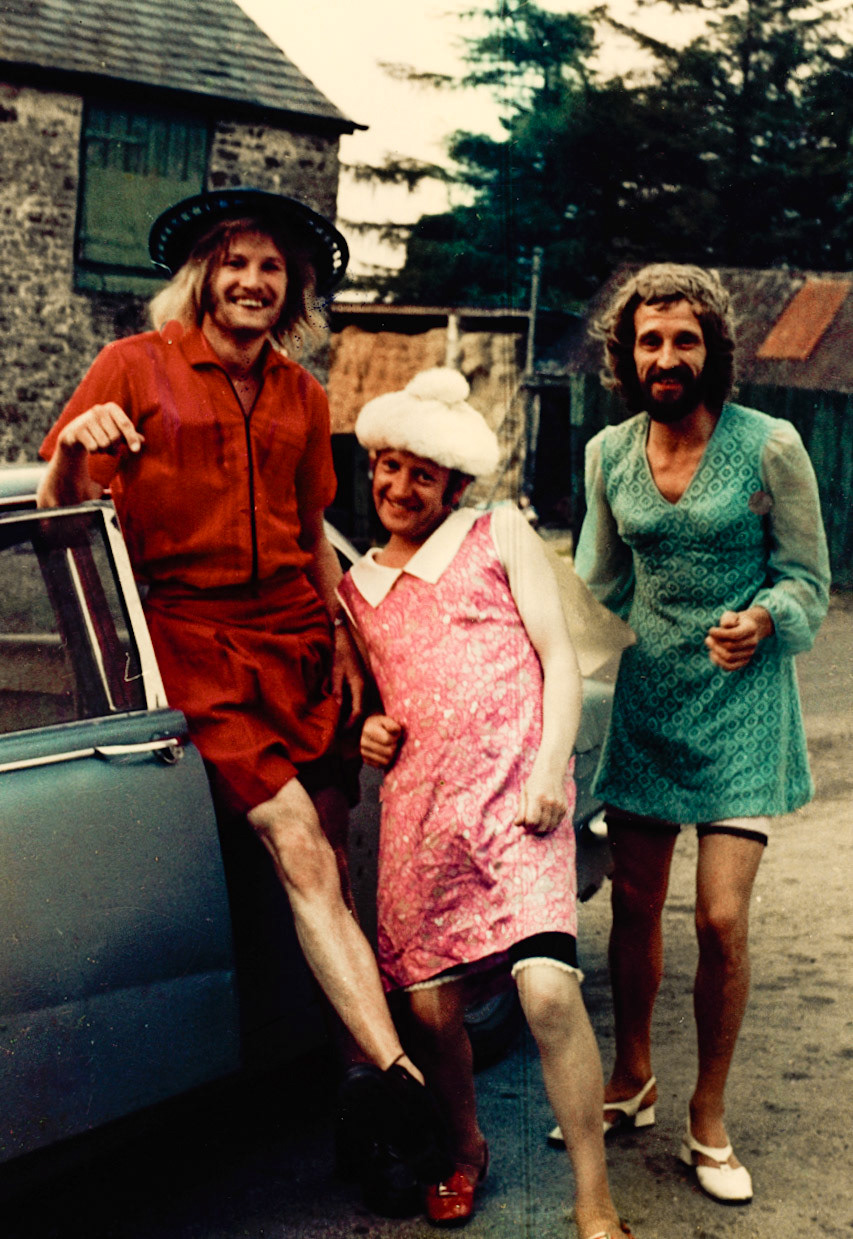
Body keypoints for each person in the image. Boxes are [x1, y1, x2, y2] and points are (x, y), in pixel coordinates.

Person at [37, 187, 447, 1191]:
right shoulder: (133, 367)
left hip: (300, 645)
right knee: (301, 847)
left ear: (291, 290)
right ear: (204, 277)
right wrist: (77, 450)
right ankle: (407, 1082)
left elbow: (312, 535)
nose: (255, 282)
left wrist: (348, 633)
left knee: (332, 870)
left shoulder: (305, 393)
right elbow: (58, 513)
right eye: (238, 264)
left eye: (273, 268)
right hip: (194, 644)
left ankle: (365, 1113)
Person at [337, 367, 637, 1239]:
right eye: (386, 468)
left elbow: (557, 658)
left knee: (545, 992)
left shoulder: (495, 532)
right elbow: (372, 704)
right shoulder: (356, 589)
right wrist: (369, 733)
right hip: (424, 821)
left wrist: (551, 769)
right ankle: (464, 1148)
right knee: (435, 1013)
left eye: (420, 474)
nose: (398, 488)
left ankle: (593, 1199)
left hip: (519, 804)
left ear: (454, 484)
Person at [558, 262, 830, 1204]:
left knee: (718, 916)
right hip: (648, 702)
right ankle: (631, 1074)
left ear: (712, 348)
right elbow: (595, 585)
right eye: (648, 340)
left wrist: (763, 619)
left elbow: (807, 579)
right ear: (626, 354)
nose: (665, 356)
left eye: (683, 339)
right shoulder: (607, 454)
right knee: (631, 907)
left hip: (743, 704)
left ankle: (707, 1115)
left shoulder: (771, 446)